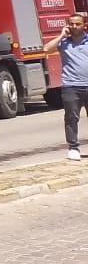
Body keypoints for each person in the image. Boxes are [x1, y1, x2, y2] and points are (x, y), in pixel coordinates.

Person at [43, 12, 88, 161]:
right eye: (71, 24)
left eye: (78, 23)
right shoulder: (64, 43)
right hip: (71, 86)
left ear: (84, 26)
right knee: (71, 118)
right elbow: (46, 49)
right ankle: (73, 148)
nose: (74, 26)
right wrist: (61, 35)